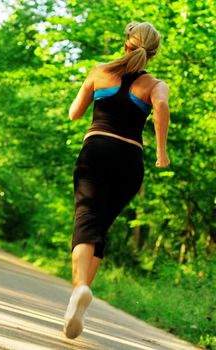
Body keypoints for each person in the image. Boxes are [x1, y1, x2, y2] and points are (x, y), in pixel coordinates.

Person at [63, 21, 171, 339]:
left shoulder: (100, 71)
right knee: (101, 228)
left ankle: (80, 289)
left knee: (86, 221)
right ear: (152, 53)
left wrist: (89, 93)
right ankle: (76, 301)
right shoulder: (155, 85)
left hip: (96, 150)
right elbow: (162, 105)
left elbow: (74, 113)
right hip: (130, 161)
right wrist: (161, 152)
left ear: (126, 44)